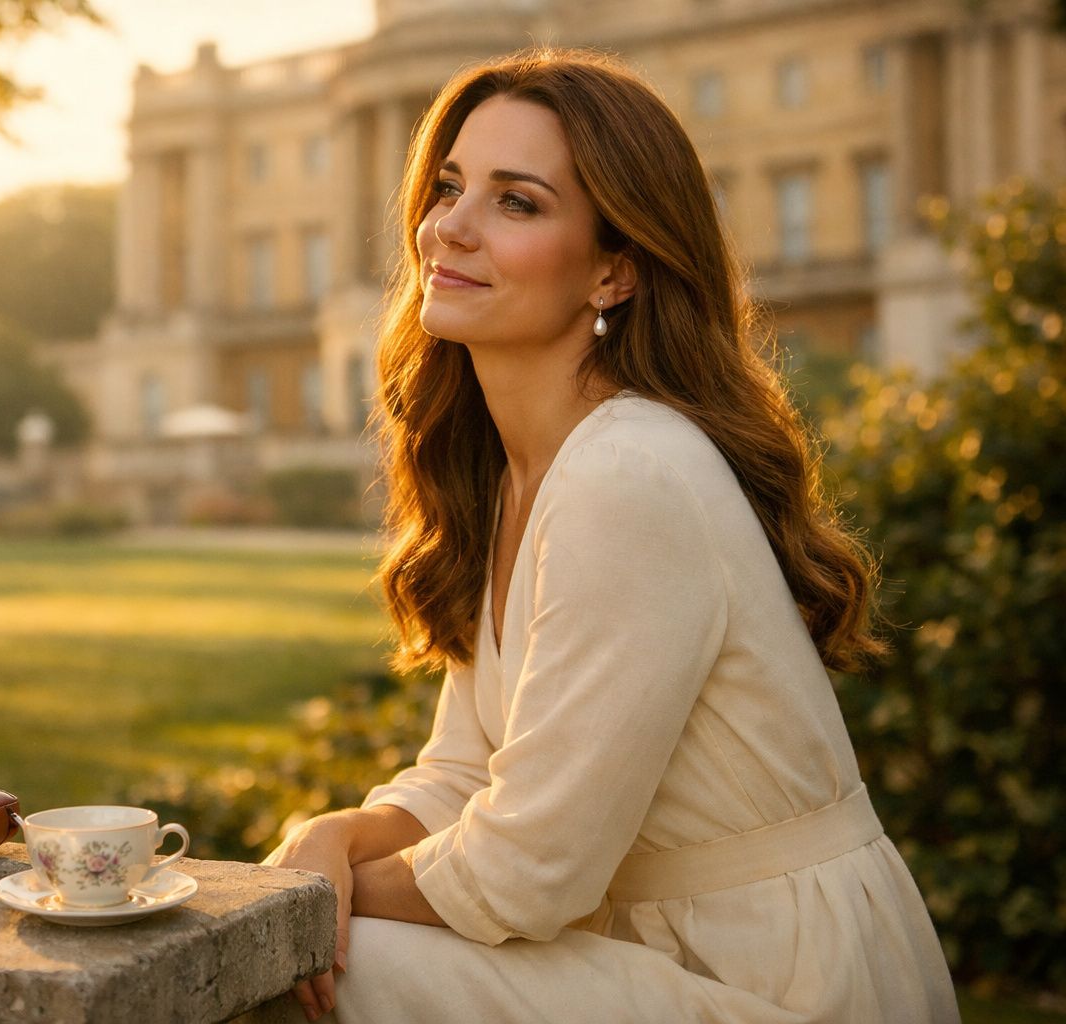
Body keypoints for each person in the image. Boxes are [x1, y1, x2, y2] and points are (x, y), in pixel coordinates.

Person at [263, 49, 959, 1023]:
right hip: (653, 953)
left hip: (777, 974)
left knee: (321, 963)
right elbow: (465, 773)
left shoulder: (626, 471)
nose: (446, 226)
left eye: (517, 203)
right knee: (314, 944)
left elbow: (525, 871)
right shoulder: (521, 473)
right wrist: (333, 836)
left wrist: (300, 904)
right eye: (452, 185)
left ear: (614, 270)